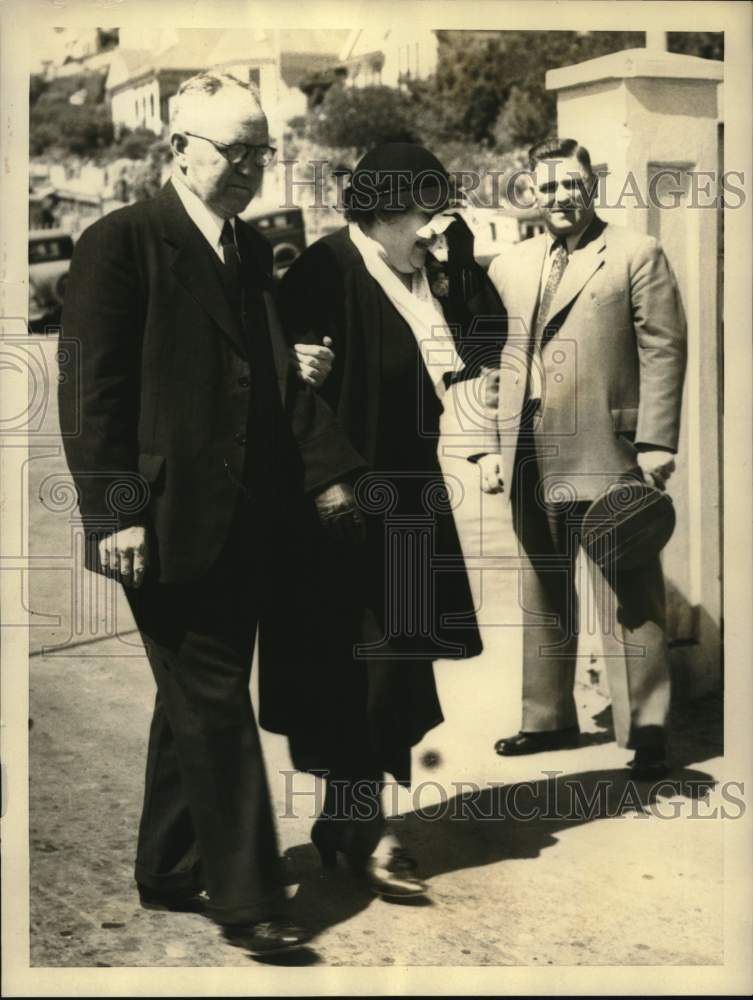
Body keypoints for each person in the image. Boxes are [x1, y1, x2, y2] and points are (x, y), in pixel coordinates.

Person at [57, 71, 366, 957]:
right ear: (177, 149)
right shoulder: (120, 243)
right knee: (214, 697)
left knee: (193, 696)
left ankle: (166, 866)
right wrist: (113, 513)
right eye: (235, 151)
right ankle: (249, 895)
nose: (250, 168)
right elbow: (91, 393)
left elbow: (269, 380)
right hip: (158, 521)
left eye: (261, 152)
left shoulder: (246, 249)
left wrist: (328, 476)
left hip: (246, 519)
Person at [271, 142, 506, 899]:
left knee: (397, 669)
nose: (436, 222)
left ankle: (350, 822)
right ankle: (368, 830)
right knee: (356, 672)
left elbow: (482, 342)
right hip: (343, 505)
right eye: (425, 208)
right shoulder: (326, 270)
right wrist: (326, 479)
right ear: (382, 205)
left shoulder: (425, 273)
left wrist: (459, 259)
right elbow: (287, 386)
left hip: (409, 499)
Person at [477, 137, 687, 778]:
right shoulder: (509, 266)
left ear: (590, 184)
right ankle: (547, 719)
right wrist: (490, 446)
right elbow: (495, 363)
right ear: (532, 195)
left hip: (606, 446)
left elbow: (664, 349)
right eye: (548, 187)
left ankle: (646, 726)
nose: (560, 197)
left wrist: (655, 441)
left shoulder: (633, 253)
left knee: (631, 583)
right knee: (544, 583)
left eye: (571, 184)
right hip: (529, 445)